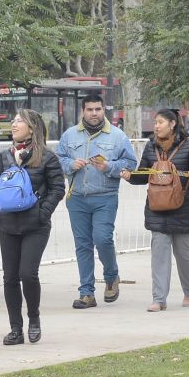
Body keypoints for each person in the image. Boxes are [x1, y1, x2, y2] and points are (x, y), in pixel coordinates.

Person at [55, 93, 137, 310]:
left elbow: (131, 163)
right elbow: (59, 159)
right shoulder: (69, 135)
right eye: (90, 109)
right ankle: (86, 293)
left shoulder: (118, 137)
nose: (94, 113)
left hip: (105, 197)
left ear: (104, 111)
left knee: (102, 239)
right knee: (82, 245)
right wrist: (70, 165)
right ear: (83, 111)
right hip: (77, 198)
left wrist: (109, 167)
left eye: (98, 109)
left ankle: (111, 276)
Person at [123, 109, 189, 311]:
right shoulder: (151, 146)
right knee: (159, 254)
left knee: (183, 253)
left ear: (172, 124)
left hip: (184, 207)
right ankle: (159, 298)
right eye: (155, 123)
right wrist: (130, 176)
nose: (156, 126)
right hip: (157, 206)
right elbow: (143, 174)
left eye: (160, 122)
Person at [0, 109, 65, 344]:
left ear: (32, 128)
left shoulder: (47, 157)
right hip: (8, 224)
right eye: (13, 120)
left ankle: (34, 318)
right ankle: (16, 328)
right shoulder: (5, 156)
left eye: (19, 121)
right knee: (10, 278)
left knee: (27, 274)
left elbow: (57, 188)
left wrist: (42, 213)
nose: (14, 124)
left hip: (35, 225)